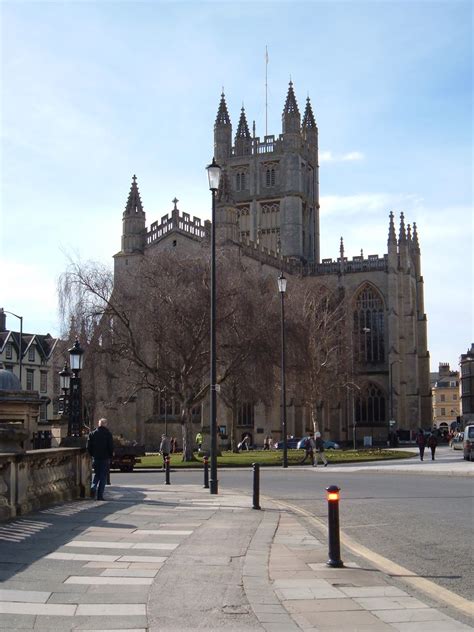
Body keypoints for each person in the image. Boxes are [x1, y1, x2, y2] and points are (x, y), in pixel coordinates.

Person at [87, 418, 114, 501]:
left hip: (96, 457)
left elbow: (88, 447)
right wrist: (110, 455)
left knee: (97, 474)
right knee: (103, 477)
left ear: (99, 424)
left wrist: (92, 454)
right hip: (105, 458)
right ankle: (100, 496)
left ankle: (93, 487)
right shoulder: (108, 434)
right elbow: (111, 447)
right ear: (105, 424)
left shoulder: (92, 434)